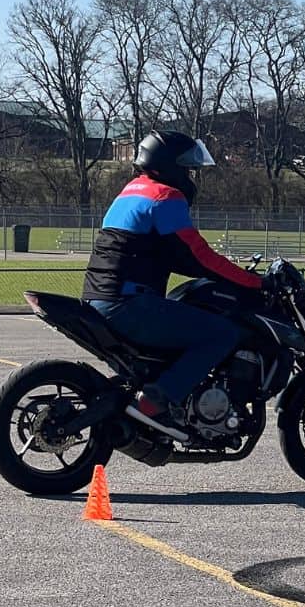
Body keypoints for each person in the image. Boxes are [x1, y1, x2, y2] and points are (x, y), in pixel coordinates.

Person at [82, 130, 263, 422]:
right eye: (188, 170)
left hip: (98, 298)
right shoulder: (165, 196)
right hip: (127, 303)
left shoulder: (131, 191)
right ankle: (158, 399)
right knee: (222, 333)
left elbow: (171, 254)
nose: (191, 178)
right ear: (170, 167)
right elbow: (198, 255)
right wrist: (253, 281)